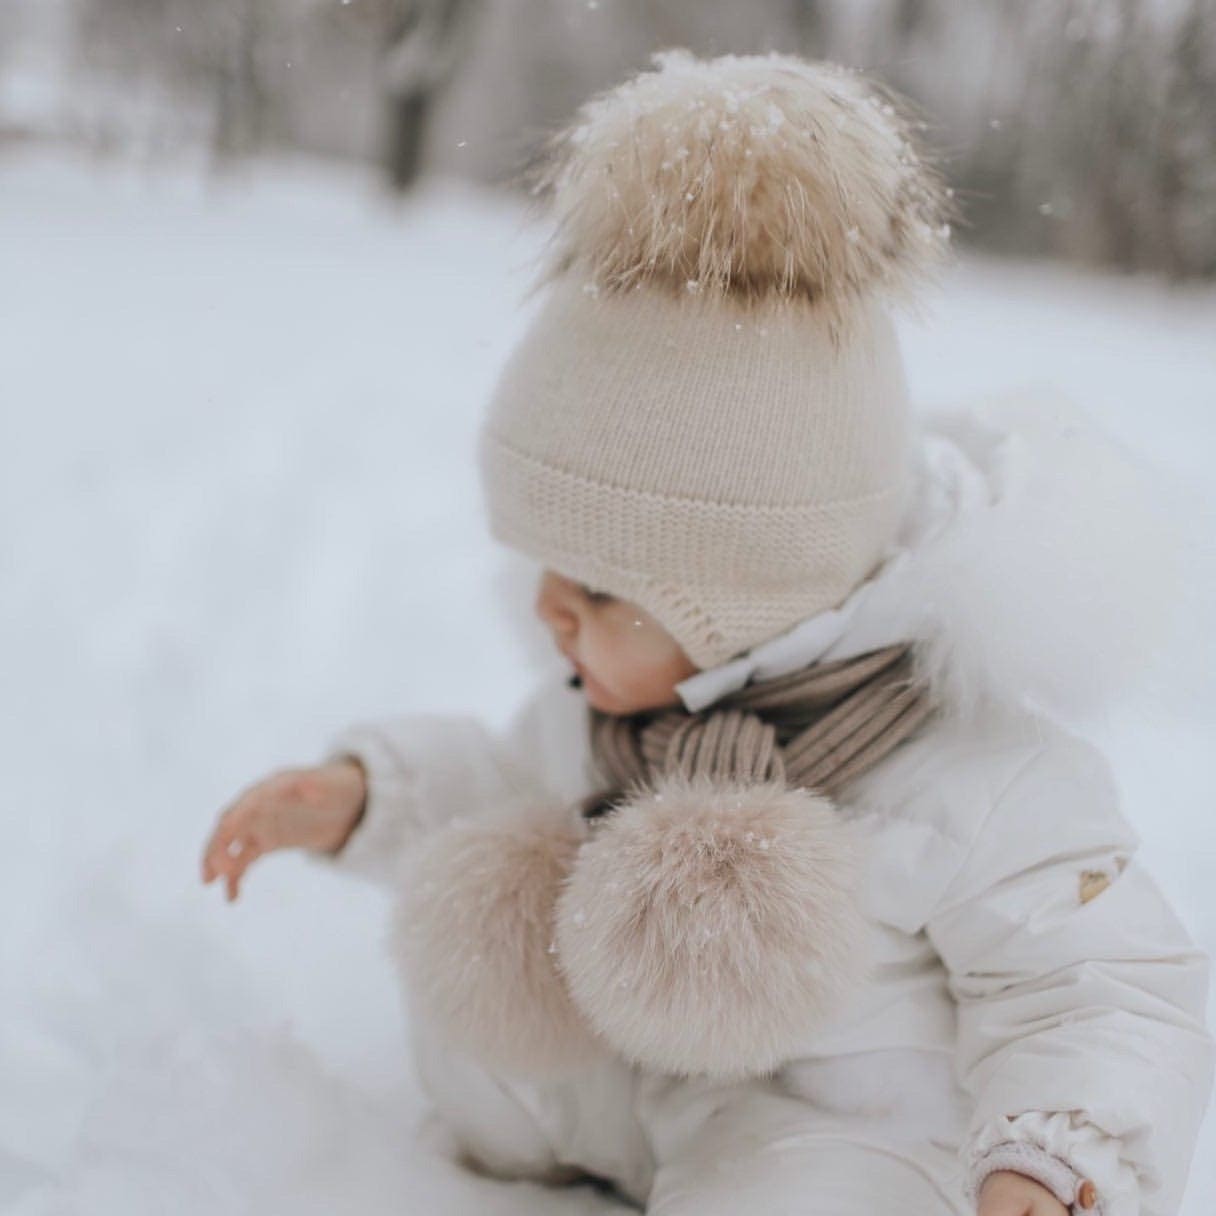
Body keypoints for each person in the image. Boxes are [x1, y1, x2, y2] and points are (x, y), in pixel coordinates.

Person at [201, 51, 1212, 1216]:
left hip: (854, 1144)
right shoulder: (617, 704)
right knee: (496, 958)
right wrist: (367, 794)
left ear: (749, 598)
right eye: (544, 570)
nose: (548, 614)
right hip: (642, 1098)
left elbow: (1095, 989)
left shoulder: (967, 771)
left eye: (599, 594)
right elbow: (506, 779)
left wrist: (1056, 1151)